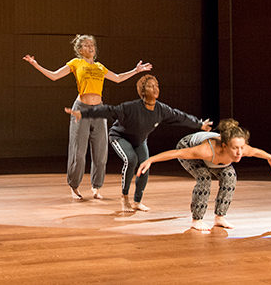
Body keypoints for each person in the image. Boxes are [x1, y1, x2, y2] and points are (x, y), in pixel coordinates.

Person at [23, 34, 152, 200]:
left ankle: (96, 187)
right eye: (86, 45)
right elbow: (54, 76)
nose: (91, 47)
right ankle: (74, 186)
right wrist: (36, 65)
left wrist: (136, 71)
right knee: (79, 151)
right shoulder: (76, 63)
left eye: (92, 44)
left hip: (99, 110)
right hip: (81, 110)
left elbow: (118, 78)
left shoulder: (100, 67)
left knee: (100, 151)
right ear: (79, 50)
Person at [66, 74, 212, 212]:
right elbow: (109, 110)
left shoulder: (161, 109)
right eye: (150, 86)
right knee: (131, 159)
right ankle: (124, 198)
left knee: (145, 165)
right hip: (119, 137)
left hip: (139, 140)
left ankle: (137, 201)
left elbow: (179, 116)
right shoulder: (132, 107)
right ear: (142, 91)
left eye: (156, 85)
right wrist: (84, 113)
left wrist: (199, 124)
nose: (155, 89)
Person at [137, 118, 271, 232]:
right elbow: (176, 153)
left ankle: (220, 217)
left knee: (230, 177)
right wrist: (150, 160)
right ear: (225, 146)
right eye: (235, 148)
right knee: (204, 178)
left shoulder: (242, 149)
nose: (239, 153)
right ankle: (197, 219)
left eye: (242, 148)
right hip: (188, 146)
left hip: (216, 159)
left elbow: (257, 152)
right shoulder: (206, 150)